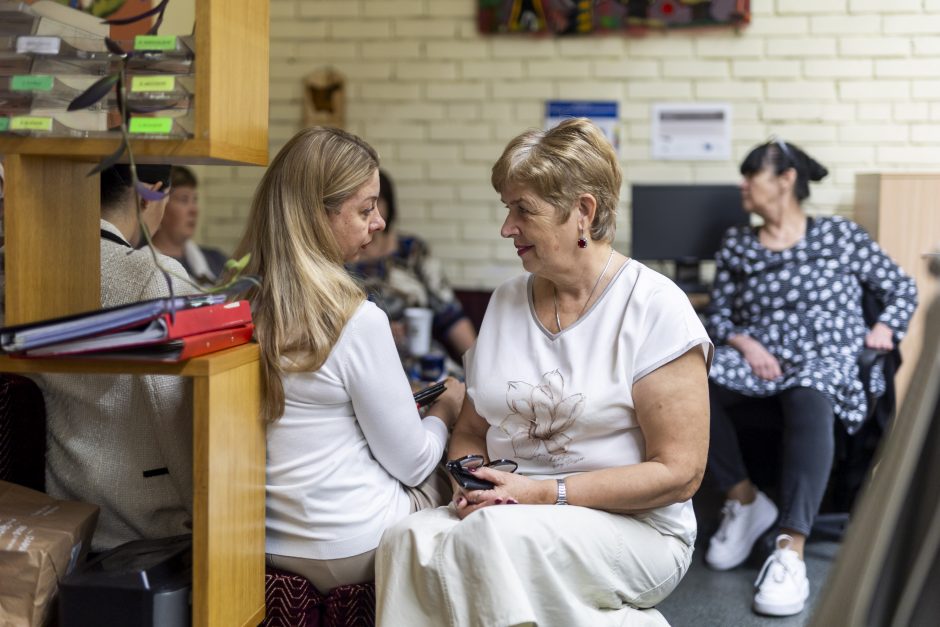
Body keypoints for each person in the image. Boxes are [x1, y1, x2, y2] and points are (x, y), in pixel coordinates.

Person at [375, 118, 712, 626]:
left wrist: (540, 494)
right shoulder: (507, 300)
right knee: (406, 539)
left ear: (583, 212)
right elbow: (470, 430)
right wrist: (469, 482)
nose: (507, 228)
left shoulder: (655, 307)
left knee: (491, 542)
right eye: (506, 209)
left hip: (635, 528)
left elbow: (680, 473)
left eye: (522, 210)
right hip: (513, 511)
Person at [230, 127, 465, 593]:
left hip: (257, 539)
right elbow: (414, 463)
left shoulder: (235, 305)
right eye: (365, 209)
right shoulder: (355, 319)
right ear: (317, 215)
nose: (378, 223)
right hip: (347, 545)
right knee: (464, 490)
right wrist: (446, 408)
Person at [702, 139, 917, 616]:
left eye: (751, 174)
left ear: (785, 180)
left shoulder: (840, 235)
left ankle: (789, 549)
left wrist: (884, 327)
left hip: (826, 357)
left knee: (810, 390)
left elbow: (902, 286)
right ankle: (744, 499)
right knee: (690, 380)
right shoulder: (739, 243)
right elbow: (718, 318)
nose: (742, 185)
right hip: (762, 358)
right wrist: (746, 343)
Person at [35, 164, 199, 551]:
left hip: (61, 509)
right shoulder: (153, 277)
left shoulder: (28, 268)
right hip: (148, 525)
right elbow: (179, 417)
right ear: (151, 194)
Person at [346, 170, 476, 366]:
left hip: (422, 359)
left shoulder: (412, 251)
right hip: (367, 363)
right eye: (365, 204)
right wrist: (378, 332)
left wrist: (481, 367)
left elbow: (450, 313)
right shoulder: (338, 260)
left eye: (378, 201)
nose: (374, 213)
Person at [149, 165, 228, 285]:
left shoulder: (217, 260)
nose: (194, 210)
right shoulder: (145, 267)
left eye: (195, 200)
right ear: (161, 206)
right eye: (184, 199)